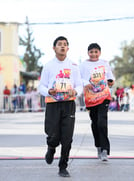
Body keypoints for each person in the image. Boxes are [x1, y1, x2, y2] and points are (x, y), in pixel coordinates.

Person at [38, 36, 83, 177]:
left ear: (68, 48)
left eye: (65, 45)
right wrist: (48, 91)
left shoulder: (74, 66)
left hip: (69, 104)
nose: (62, 47)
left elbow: (79, 85)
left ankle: (63, 166)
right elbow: (41, 86)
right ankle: (51, 147)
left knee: (67, 138)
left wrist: (76, 91)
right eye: (59, 44)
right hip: (53, 103)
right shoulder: (48, 65)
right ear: (54, 48)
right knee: (53, 134)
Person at [80, 43, 115, 161]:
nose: (94, 54)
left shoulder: (104, 63)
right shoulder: (83, 65)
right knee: (95, 123)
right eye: (91, 52)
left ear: (100, 52)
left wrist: (111, 81)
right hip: (91, 97)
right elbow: (79, 78)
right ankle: (98, 146)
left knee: (102, 122)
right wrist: (86, 83)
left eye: (96, 52)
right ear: (88, 53)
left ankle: (105, 150)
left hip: (104, 95)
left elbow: (110, 75)